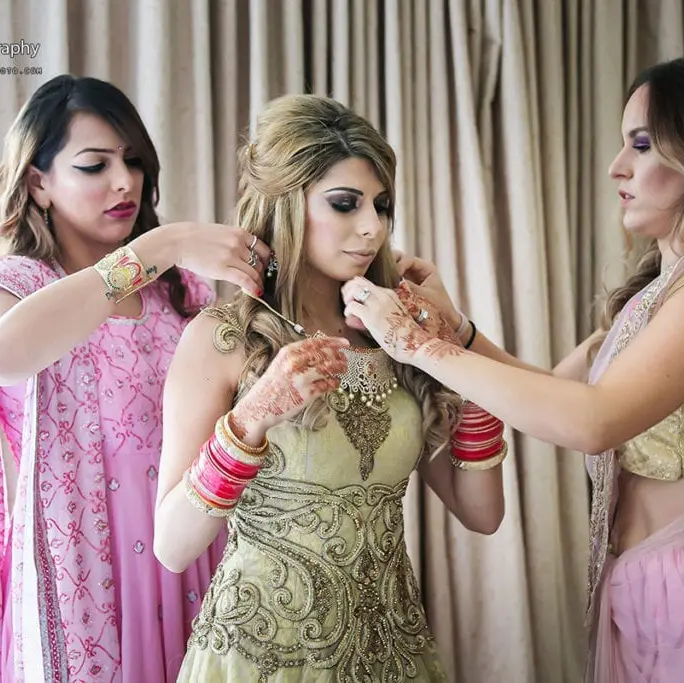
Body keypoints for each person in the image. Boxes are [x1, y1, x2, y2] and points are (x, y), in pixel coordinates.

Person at [340, 56, 684, 682]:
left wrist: (411, 343)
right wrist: (454, 327)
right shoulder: (660, 293)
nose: (615, 167)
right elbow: (549, 392)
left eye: (642, 144)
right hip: (645, 580)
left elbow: (592, 422)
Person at [152, 93, 507, 682]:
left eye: (382, 205)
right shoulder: (223, 339)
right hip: (259, 657)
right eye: (345, 204)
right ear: (286, 205)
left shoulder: (398, 333)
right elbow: (171, 545)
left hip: (390, 654)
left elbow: (483, 513)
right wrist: (252, 419)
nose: (372, 227)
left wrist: (449, 351)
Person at [0, 74, 273, 683]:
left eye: (133, 161)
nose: (125, 181)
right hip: (84, 571)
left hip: (189, 551)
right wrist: (167, 242)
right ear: (38, 183)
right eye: (95, 165)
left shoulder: (180, 295)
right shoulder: (13, 285)